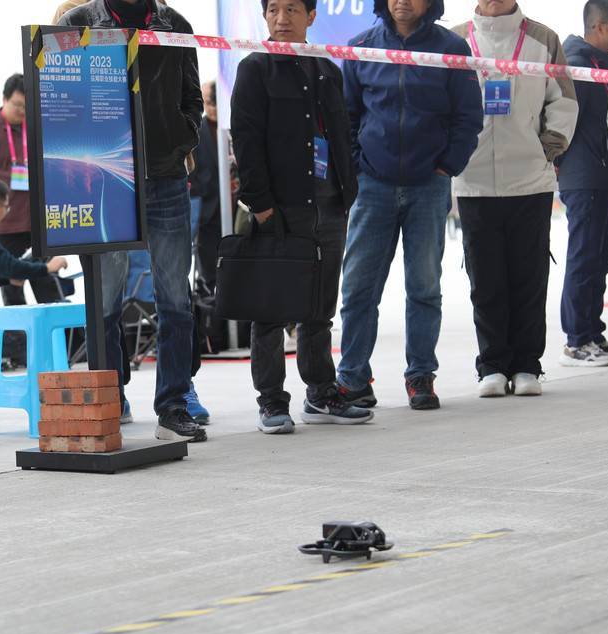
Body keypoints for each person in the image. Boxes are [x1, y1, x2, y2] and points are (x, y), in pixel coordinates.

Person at [58, 0, 207, 443]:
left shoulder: (175, 24)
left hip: (165, 177)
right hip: (104, 179)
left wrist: (180, 139)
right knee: (104, 299)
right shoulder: (77, 24)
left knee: (175, 296)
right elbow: (59, 98)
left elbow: (193, 100)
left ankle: (174, 404)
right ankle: (109, 397)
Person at [336, 0, 484, 412]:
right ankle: (352, 378)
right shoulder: (361, 47)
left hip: (428, 186)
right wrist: (357, 168)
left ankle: (420, 375)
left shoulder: (452, 49)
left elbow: (468, 116)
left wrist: (446, 166)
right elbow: (345, 115)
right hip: (372, 186)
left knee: (424, 288)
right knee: (358, 288)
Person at [232, 0, 372, 434]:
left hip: (328, 205)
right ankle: (272, 401)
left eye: (292, 9)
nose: (282, 18)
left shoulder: (327, 69)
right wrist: (262, 205)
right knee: (270, 310)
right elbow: (246, 138)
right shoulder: (255, 68)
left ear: (311, 16)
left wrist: (347, 192)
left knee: (319, 309)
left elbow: (343, 133)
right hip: (280, 208)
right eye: (274, 9)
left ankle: (321, 393)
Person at [452, 0, 579, 398]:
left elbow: (564, 101)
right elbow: (442, 102)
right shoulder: (454, 41)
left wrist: (545, 149)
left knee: (528, 276)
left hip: (530, 180)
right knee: (484, 279)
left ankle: (527, 365)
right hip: (473, 182)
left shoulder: (544, 39)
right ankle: (491, 364)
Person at [558, 0, 608, 367]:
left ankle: (593, 333)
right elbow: (562, 121)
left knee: (601, 259)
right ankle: (575, 340)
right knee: (584, 257)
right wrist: (560, 164)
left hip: (606, 175)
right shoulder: (574, 65)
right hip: (583, 175)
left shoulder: (607, 67)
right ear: (598, 27)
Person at [0, 74, 61, 307]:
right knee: (12, 287)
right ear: (4, 99)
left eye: (27, 106)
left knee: (47, 281)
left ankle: (62, 340)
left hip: (38, 222)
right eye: (18, 105)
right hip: (6, 224)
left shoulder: (37, 129)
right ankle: (18, 341)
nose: (22, 111)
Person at [0, 179, 69, 369]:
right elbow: (9, 266)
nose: (6, 213)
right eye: (6, 208)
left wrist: (7, 279)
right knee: (28, 334)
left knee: (12, 335)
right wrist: (48, 268)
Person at [190, 80, 223, 292]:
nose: (211, 107)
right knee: (208, 271)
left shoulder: (232, 127)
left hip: (237, 210)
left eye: (213, 102)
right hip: (207, 210)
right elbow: (191, 167)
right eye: (208, 102)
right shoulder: (198, 129)